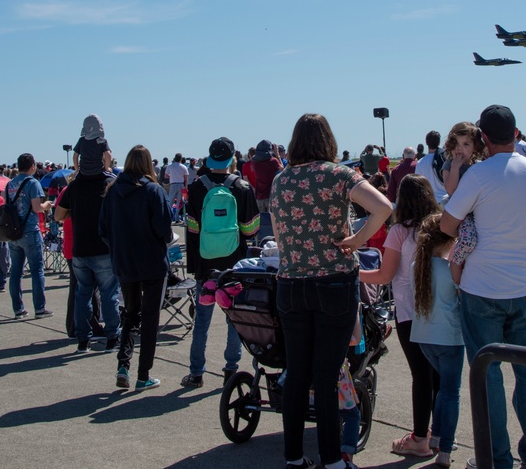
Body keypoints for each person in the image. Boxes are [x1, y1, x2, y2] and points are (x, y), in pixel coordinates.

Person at [271, 113, 391, 469]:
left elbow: (279, 236)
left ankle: (293, 456)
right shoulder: (338, 175)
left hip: (291, 283)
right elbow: (383, 208)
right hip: (334, 281)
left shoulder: (281, 180)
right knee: (326, 376)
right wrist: (355, 241)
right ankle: (332, 459)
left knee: (296, 373)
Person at [440, 104, 526, 469]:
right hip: (523, 287)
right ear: (516, 133)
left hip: (482, 288)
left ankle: (497, 459)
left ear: (483, 139)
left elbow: (446, 224)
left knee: (488, 377)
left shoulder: (479, 175)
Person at [361, 175, 441, 458]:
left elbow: (385, 275)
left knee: (421, 375)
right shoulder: (441, 226)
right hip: (441, 310)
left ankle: (420, 437)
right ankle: (442, 434)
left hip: (410, 310)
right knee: (440, 376)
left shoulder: (400, 232)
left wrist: (354, 272)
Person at [181, 137, 259, 388]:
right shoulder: (242, 187)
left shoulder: (196, 188)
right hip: (234, 263)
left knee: (202, 320)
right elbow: (250, 229)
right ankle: (231, 369)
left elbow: (192, 229)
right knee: (234, 319)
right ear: (231, 160)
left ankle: (196, 372)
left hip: (205, 263)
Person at [99, 145, 175, 391]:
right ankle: (144, 374)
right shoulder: (153, 191)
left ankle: (123, 364)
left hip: (124, 261)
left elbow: (103, 230)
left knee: (130, 313)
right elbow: (164, 230)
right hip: (151, 261)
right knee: (150, 317)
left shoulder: (111, 192)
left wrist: (119, 246)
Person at [411, 213, 463, 468]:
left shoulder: (417, 268)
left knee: (443, 390)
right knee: (451, 392)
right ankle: (444, 448)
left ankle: (437, 437)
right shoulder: (449, 270)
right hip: (450, 337)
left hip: (424, 337)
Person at [55, 169, 120, 353]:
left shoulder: (74, 187)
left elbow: (58, 215)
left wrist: (72, 212)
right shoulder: (109, 184)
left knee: (82, 294)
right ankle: (112, 337)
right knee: (109, 294)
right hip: (103, 248)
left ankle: (83, 340)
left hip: (80, 248)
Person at [5, 153, 53, 319]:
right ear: (32, 165)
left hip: (13, 231)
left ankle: (18, 308)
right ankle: (39, 308)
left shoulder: (10, 184)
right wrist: (46, 205)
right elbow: (37, 208)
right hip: (30, 230)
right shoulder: (33, 183)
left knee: (16, 272)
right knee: (37, 270)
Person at [415, 130, 448, 203]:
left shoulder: (420, 163)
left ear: (426, 142)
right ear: (439, 142)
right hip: (446, 199)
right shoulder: (445, 159)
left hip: (431, 201)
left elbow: (419, 185)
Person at [250, 139, 283, 214]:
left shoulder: (254, 162)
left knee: (261, 223)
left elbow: (252, 170)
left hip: (259, 197)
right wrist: (277, 154)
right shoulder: (273, 161)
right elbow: (283, 171)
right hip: (271, 195)